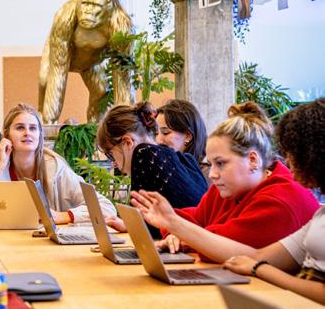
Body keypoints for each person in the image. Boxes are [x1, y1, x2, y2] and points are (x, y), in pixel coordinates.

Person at [131, 99, 324, 304]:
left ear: (253, 160)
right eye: (211, 164)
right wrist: (177, 229)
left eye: (221, 164)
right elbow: (255, 256)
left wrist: (177, 227)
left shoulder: (282, 200)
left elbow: (233, 251)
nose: (212, 174)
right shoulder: (318, 219)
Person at [0, 103, 117, 223]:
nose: (27, 133)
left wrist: (66, 216)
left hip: (45, 241)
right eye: (20, 127)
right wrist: (0, 167)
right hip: (3, 240)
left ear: (40, 135)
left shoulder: (56, 168)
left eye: (33, 128)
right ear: (7, 134)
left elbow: (106, 207)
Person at [96, 102, 208, 236]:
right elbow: (151, 224)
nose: (113, 163)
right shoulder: (185, 158)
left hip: (188, 245)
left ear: (127, 142)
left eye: (111, 154)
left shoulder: (143, 153)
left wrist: (134, 225)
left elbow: (144, 230)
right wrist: (129, 225)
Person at [155, 99, 208, 167]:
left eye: (165, 133)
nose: (158, 140)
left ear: (188, 136)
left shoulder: (206, 172)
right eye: (156, 133)